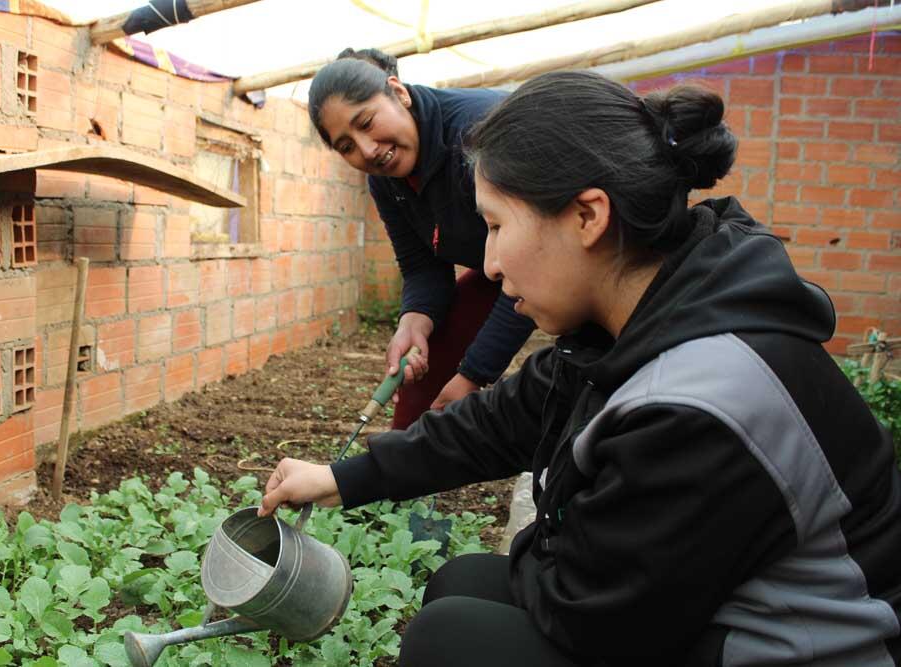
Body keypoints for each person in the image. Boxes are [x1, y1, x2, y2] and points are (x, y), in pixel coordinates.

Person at [261, 70, 901, 666]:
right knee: (462, 581)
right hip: (722, 599)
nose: (488, 265)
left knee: (448, 637)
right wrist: (342, 477)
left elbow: (597, 618)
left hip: (811, 645)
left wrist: (541, 548)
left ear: (588, 216)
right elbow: (501, 421)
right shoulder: (639, 319)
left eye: (496, 226)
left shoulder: (702, 402)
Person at [308, 49, 536, 429]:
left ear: (399, 93)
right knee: (420, 385)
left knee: (580, 368)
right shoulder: (385, 180)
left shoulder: (478, 134)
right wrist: (413, 321)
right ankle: (402, 459)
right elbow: (421, 266)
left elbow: (533, 262)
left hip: (579, 258)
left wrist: (473, 374)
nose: (367, 150)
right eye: (346, 146)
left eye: (366, 122)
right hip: (501, 271)